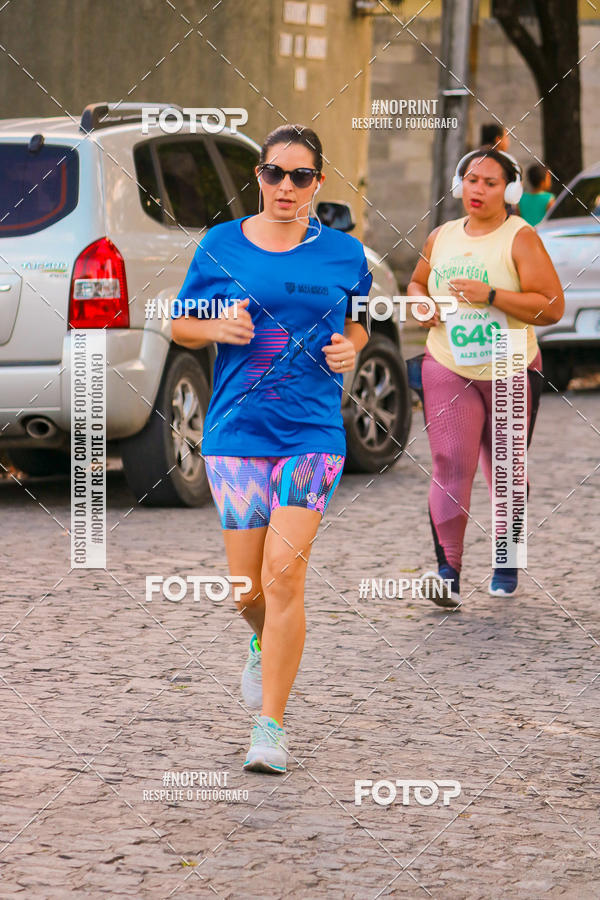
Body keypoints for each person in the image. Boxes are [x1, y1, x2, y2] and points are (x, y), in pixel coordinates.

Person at [171, 124, 372, 773]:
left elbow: (360, 321)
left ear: (318, 182)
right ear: (257, 176)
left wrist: (353, 347)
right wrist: (213, 326)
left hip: (311, 432)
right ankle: (264, 645)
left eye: (301, 176)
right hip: (235, 432)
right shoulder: (221, 244)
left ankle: (270, 728)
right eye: (274, 173)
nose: (286, 187)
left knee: (285, 575)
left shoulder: (344, 253)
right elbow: (178, 322)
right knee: (246, 590)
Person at [407, 148, 564, 607]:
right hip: (448, 362)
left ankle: (507, 556)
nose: (478, 190)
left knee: (506, 471)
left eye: (490, 183)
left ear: (509, 191)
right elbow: (418, 282)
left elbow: (551, 307)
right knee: (451, 463)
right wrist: (421, 303)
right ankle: (447, 572)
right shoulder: (441, 236)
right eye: (472, 180)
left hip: (510, 361)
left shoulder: (521, 238)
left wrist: (492, 294)